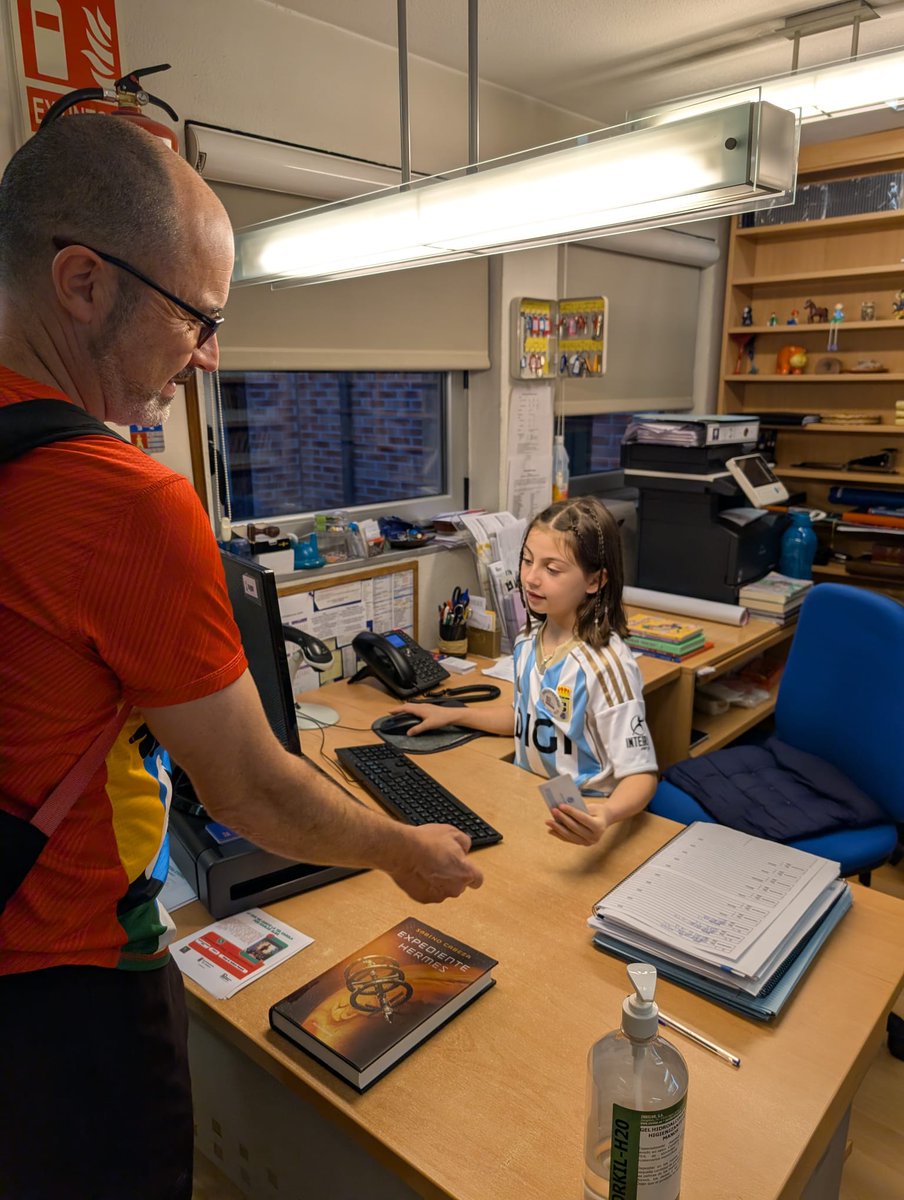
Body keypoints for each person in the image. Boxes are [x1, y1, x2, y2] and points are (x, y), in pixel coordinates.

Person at [0, 116, 481, 1200]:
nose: (209, 353)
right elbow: (254, 789)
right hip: (64, 983)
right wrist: (403, 849)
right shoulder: (119, 500)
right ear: (82, 281)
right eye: (195, 316)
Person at [394, 496, 658, 846]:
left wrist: (606, 816)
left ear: (595, 581)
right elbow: (526, 718)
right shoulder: (527, 639)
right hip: (528, 801)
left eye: (552, 569)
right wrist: (453, 715)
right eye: (527, 561)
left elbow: (641, 774)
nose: (531, 578)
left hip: (584, 815)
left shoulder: (607, 665)